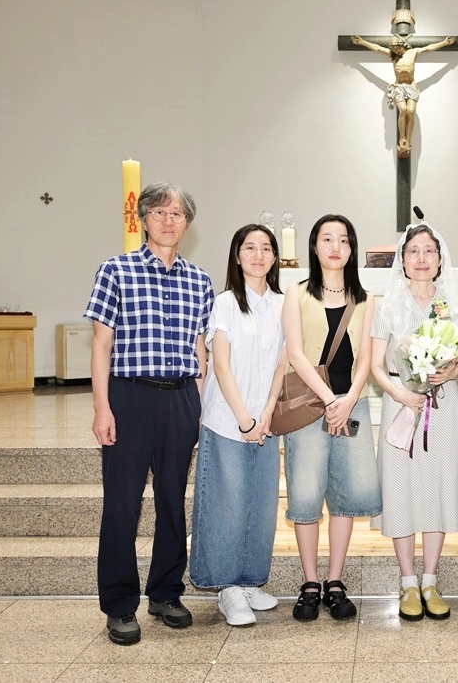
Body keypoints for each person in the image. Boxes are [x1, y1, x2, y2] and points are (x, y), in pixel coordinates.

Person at [84, 182, 214, 645]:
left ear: (187, 223)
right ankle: (120, 604)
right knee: (122, 503)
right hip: (130, 397)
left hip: (180, 398)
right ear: (143, 219)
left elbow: (200, 348)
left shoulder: (200, 280)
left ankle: (165, 592)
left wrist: (198, 406)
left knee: (172, 502)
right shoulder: (115, 270)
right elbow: (101, 345)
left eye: (177, 213)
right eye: (159, 212)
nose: (168, 220)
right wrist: (102, 407)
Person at [369, 222, 458, 621]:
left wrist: (452, 371)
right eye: (413, 251)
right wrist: (401, 394)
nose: (421, 258)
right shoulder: (387, 307)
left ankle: (430, 580)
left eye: (429, 250)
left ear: (440, 259)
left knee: (437, 488)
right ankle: (408, 581)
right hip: (401, 404)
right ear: (402, 259)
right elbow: (375, 365)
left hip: (442, 408)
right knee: (401, 489)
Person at [281, 213, 381, 621]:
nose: (335, 246)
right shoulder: (297, 293)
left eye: (343, 239)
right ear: (315, 246)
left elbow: (366, 357)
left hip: (352, 403)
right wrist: (329, 400)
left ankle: (334, 581)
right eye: (327, 239)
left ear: (351, 249)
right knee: (306, 493)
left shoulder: (366, 299)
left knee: (346, 494)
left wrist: (349, 398)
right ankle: (309, 581)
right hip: (309, 405)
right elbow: (295, 352)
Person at [189, 224, 287, 627]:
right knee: (226, 504)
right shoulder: (225, 303)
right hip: (227, 420)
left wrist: (266, 412)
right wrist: (245, 418)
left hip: (265, 421)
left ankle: (249, 581)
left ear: (275, 258)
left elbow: (282, 363)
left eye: (266, 248)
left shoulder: (283, 304)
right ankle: (226, 587)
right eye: (250, 248)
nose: (258, 255)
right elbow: (221, 365)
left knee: (260, 504)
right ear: (237, 255)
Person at [350, 34, 455, 158]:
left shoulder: (413, 52)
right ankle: (402, 138)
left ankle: (408, 140)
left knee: (410, 111)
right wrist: (362, 42)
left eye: (396, 47)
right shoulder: (392, 55)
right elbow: (377, 48)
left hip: (411, 86)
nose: (395, 50)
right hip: (399, 87)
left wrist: (445, 43)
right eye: (392, 48)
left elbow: (429, 48)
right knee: (403, 110)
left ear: (402, 44)